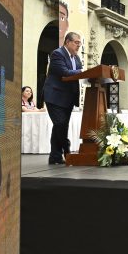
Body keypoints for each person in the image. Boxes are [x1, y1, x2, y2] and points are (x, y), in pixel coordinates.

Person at [43, 31, 83, 165]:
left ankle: (55, 156)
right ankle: (67, 149)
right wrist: (82, 72)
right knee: (60, 123)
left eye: (80, 43)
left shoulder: (77, 59)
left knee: (61, 126)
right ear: (67, 42)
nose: (79, 45)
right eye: (76, 42)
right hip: (54, 97)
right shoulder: (57, 54)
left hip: (68, 98)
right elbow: (64, 73)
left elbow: (77, 76)